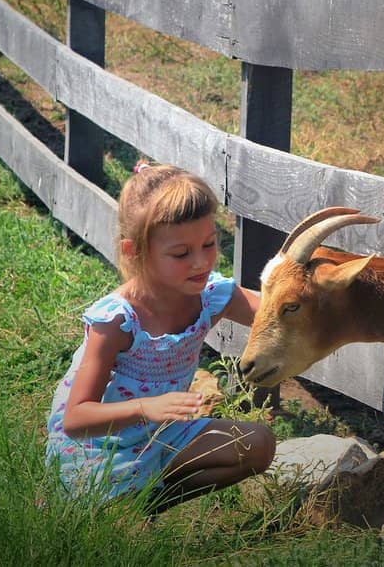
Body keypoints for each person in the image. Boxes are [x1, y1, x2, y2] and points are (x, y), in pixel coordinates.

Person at [45, 162, 276, 512]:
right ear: (134, 251)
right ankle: (113, 504)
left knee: (257, 444)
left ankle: (149, 500)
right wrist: (146, 408)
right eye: (181, 254)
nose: (200, 263)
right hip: (102, 449)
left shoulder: (212, 296)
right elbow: (76, 420)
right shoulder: (117, 321)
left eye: (210, 244)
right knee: (120, 545)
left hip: (164, 435)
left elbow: (277, 315)